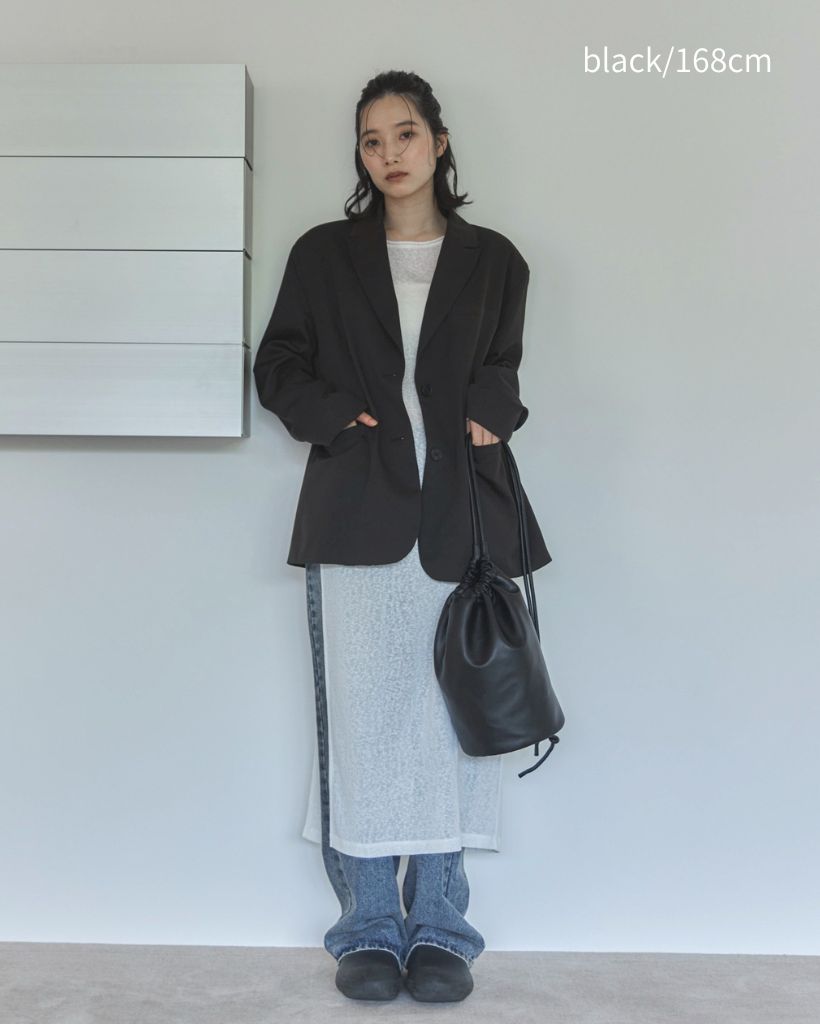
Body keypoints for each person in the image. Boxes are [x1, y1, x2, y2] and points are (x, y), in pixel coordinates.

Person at [253, 70, 552, 1003]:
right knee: (365, 725)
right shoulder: (324, 255)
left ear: (439, 142)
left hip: (464, 516)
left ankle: (443, 931)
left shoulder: (496, 260)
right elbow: (278, 366)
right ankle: (369, 930)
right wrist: (340, 420)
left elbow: (503, 366)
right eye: (372, 140)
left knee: (451, 724)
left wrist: (493, 410)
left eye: (406, 134)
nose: (389, 154)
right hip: (358, 514)